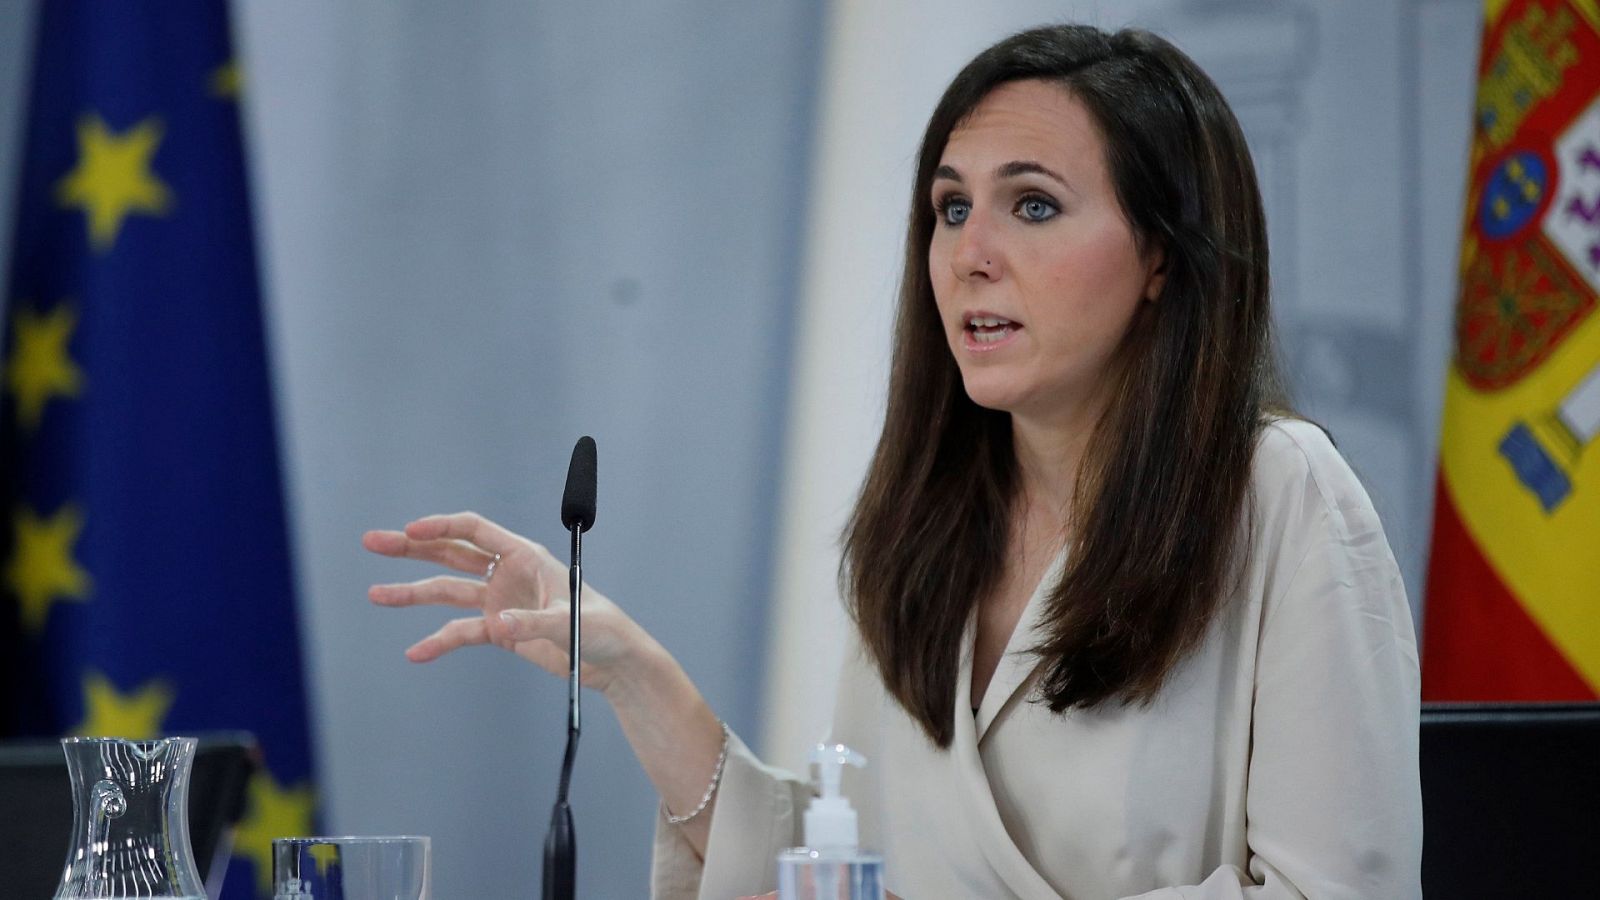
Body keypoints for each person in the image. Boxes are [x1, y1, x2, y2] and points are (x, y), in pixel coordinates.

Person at [363, 24, 1422, 900]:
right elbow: (847, 861)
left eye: (1034, 204)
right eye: (950, 207)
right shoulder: (925, 526)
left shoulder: (1281, 497)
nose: (969, 253)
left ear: (1159, 256)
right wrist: (635, 673)